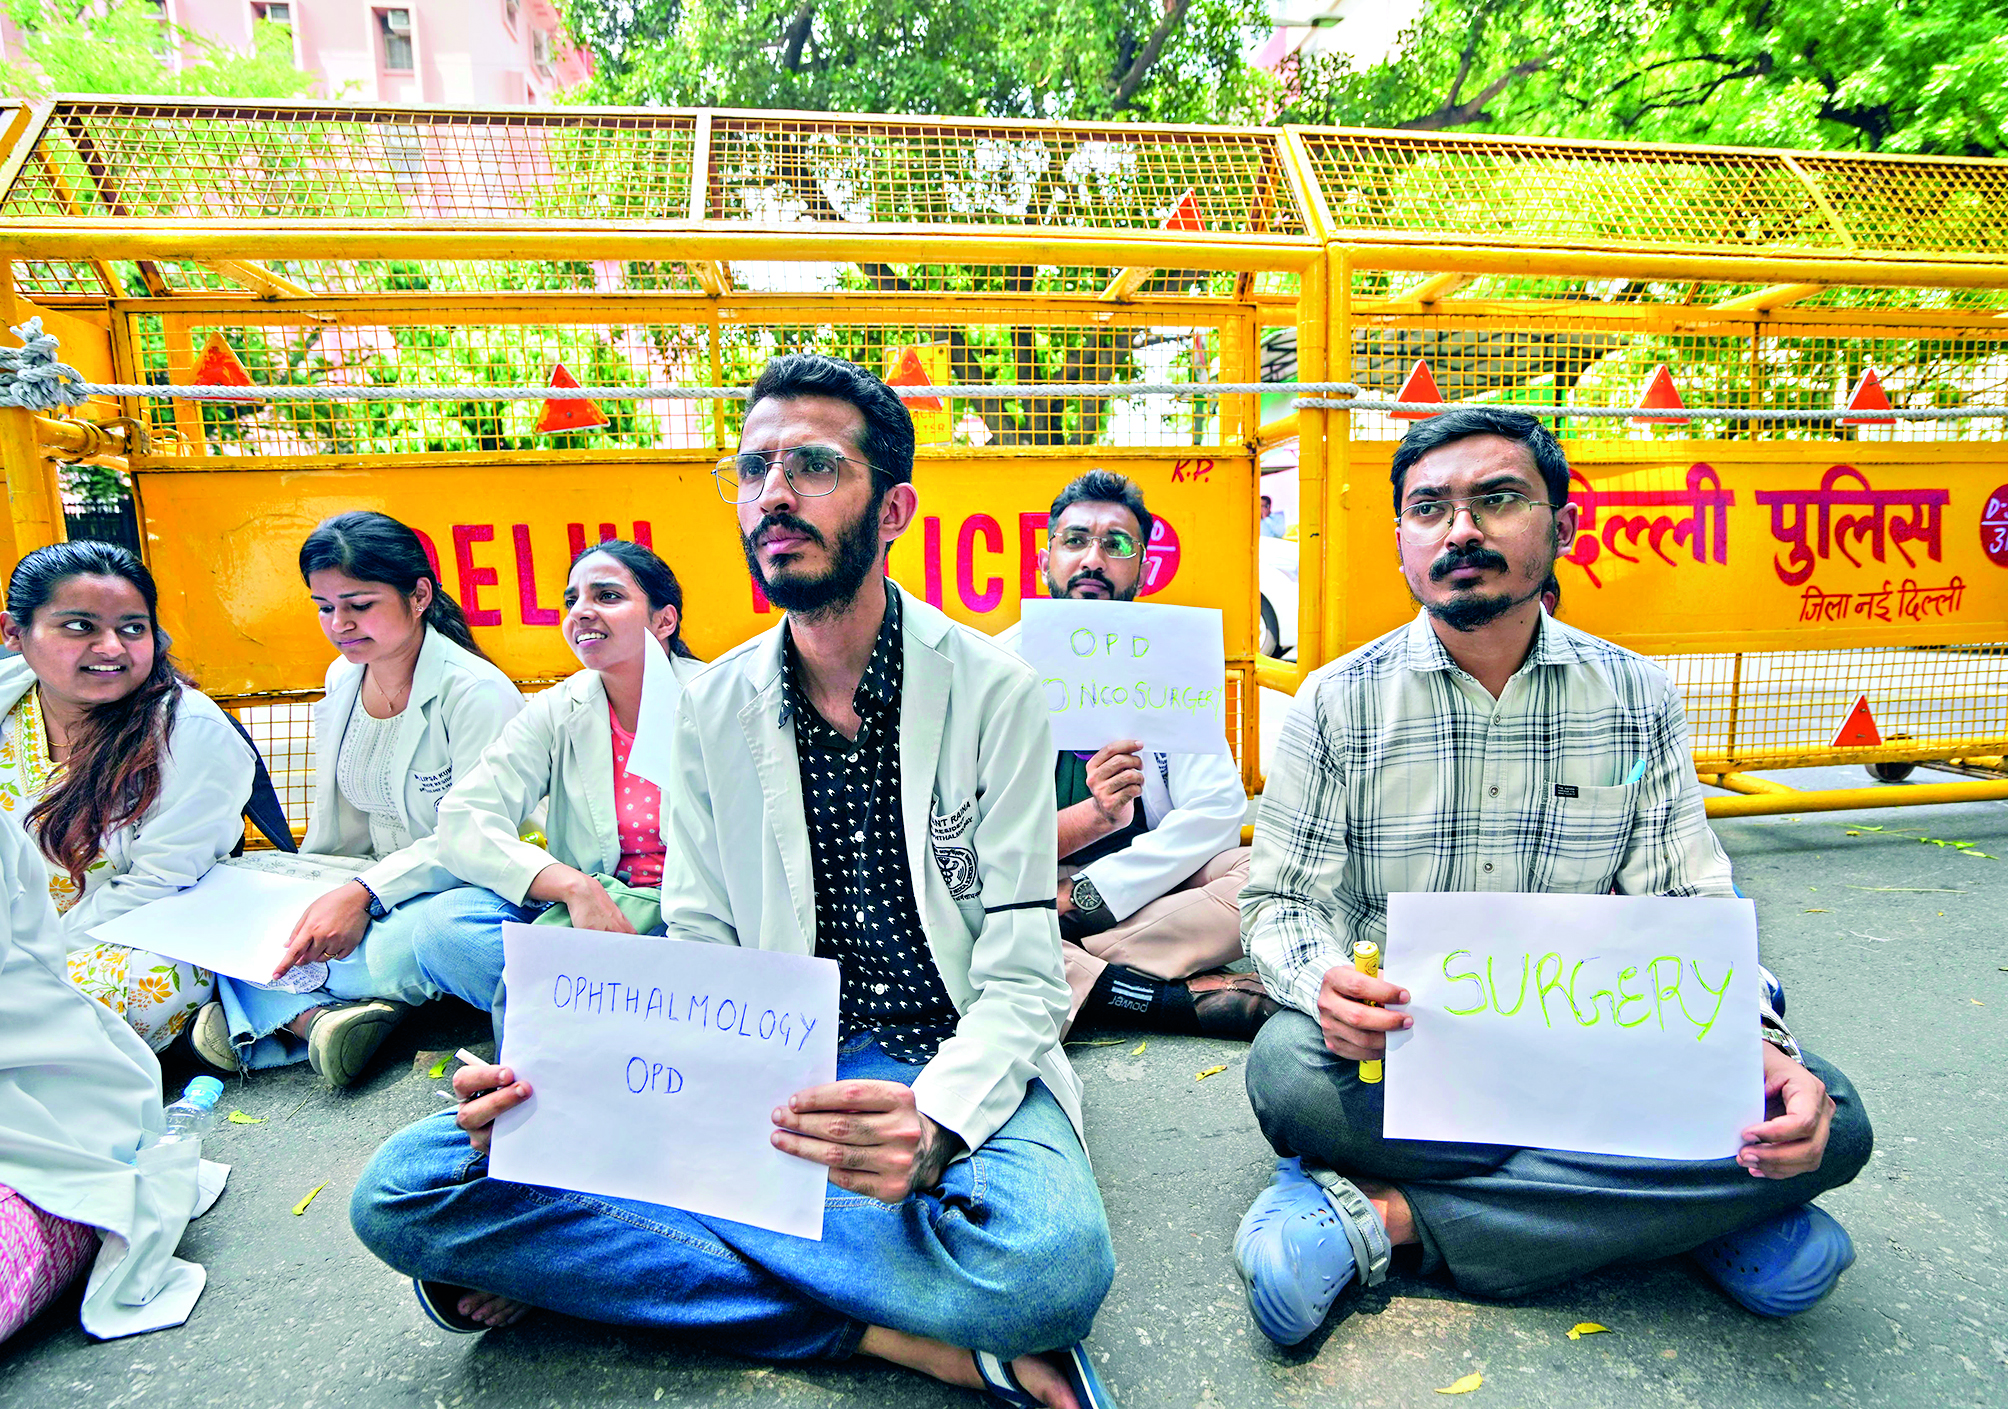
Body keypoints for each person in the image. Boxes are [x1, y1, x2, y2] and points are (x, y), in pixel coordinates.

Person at [352, 354, 1117, 1409]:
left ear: (891, 506)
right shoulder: (708, 711)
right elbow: (701, 953)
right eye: (754, 466)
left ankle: (607, 1258)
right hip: (768, 1060)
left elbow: (1025, 976)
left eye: (813, 465)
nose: (774, 493)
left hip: (951, 1045)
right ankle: (897, 1335)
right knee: (406, 1190)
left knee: (1047, 1268)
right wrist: (571, 1085)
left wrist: (933, 1123)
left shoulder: (993, 692)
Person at [1232, 408, 1872, 1345]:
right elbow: (1281, 900)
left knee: (1832, 1114)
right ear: (1402, 541)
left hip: (1585, 1044)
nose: (1462, 530)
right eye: (1429, 509)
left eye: (1498, 500)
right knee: (1288, 1072)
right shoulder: (1335, 702)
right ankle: (1689, 1207)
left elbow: (1687, 897)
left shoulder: (1635, 696)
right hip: (1408, 1050)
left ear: (1561, 528)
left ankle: (1385, 1217)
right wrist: (1322, 982)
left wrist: (1754, 1041)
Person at [194, 512, 524, 1087]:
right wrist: (303, 896)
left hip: (457, 888)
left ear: (419, 595)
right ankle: (330, 1017)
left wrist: (362, 897)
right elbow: (341, 826)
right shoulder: (343, 678)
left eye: (359, 604)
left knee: (430, 938)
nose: (339, 623)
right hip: (362, 879)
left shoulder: (476, 694)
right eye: (324, 606)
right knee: (229, 903)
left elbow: (478, 841)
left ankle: (296, 1015)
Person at [995, 470, 1274, 1040]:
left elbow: (1217, 809)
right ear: (1044, 561)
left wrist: (1090, 896)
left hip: (1133, 891)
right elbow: (975, 839)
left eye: (1116, 544)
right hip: (1028, 880)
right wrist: (1091, 821)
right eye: (1075, 541)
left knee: (1265, 876)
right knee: (956, 903)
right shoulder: (994, 669)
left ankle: (1063, 963)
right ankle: (1165, 1001)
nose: (1093, 558)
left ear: (1142, 568)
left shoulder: (1170, 663)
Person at [0, 541, 255, 1052]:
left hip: (125, 939)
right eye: (80, 627)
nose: (112, 647)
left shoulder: (188, 729)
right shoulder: (9, 702)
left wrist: (29, 956)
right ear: (13, 632)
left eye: (132, 628)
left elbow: (158, 884)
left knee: (129, 982)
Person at [423, 539, 707, 991]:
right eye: (572, 600)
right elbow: (465, 815)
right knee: (445, 926)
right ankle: (626, 999)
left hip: (697, 923)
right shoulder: (558, 708)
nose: (581, 612)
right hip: (594, 920)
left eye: (608, 596)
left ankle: (584, 999)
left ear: (663, 620)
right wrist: (574, 888)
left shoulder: (718, 698)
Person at [0, 805, 218, 1341]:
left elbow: (163, 876)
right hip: (63, 973)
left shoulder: (188, 730)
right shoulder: (17, 725)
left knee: (171, 972)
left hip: (39, 1083)